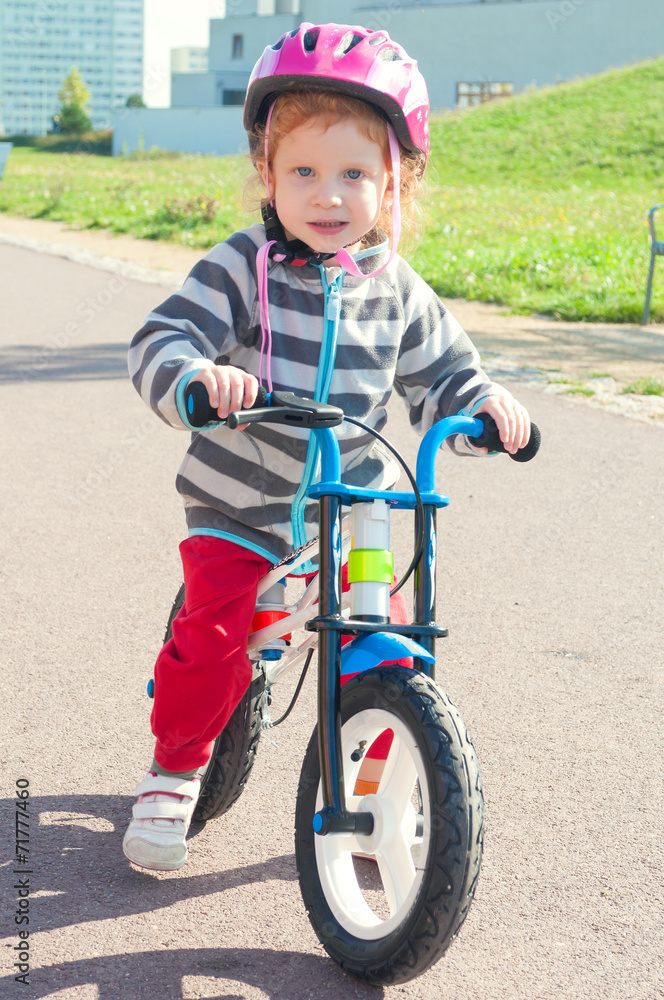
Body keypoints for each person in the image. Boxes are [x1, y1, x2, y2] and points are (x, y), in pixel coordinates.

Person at [123, 22, 531, 872]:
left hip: (356, 509)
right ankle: (174, 771)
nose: (327, 195)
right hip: (241, 503)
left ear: (395, 182)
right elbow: (163, 337)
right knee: (213, 638)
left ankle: (374, 791)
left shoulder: (399, 291)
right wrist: (197, 379)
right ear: (266, 172)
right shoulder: (244, 267)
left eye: (353, 174)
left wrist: (483, 407)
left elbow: (446, 373)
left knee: (391, 644)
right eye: (303, 171)